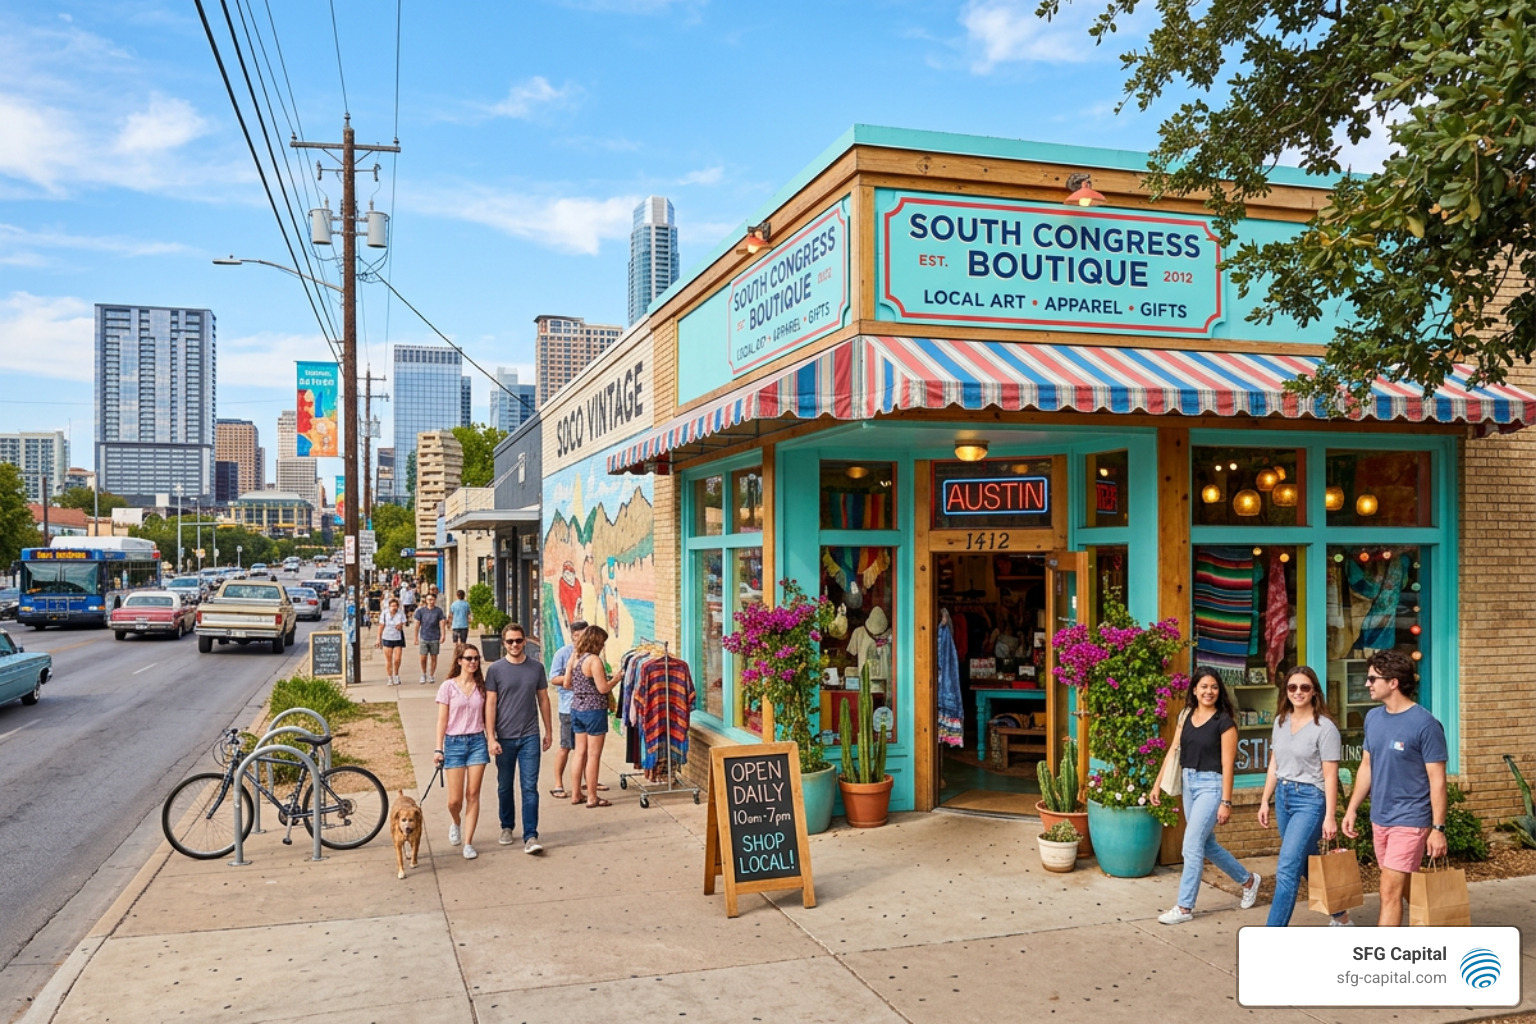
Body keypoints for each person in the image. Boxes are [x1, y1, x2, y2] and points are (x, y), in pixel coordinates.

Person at [1342, 649, 1448, 927]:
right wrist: (1352, 809)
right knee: (1404, 887)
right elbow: (1367, 766)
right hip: (1381, 818)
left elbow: (1437, 780)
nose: (1367, 684)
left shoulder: (1426, 725)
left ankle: (1383, 960)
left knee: (1388, 891)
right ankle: (1436, 928)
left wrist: (1438, 829)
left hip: (1410, 819)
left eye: (1372, 678)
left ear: (1393, 682)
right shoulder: (1373, 719)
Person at [1153, 668, 1262, 924]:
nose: (1208, 691)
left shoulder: (1224, 723)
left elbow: (1227, 765)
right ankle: (1248, 880)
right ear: (1194, 690)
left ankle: (1184, 907)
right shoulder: (1186, 715)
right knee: (1206, 844)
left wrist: (1226, 801)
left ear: (1219, 690)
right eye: (1203, 686)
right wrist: (1157, 784)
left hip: (1211, 787)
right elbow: (1173, 751)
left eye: (1213, 687)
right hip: (1189, 783)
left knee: (1191, 847)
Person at [1258, 666, 1350, 926]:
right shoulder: (1281, 721)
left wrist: (1330, 817)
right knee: (1307, 861)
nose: (1298, 692)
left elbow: (1330, 775)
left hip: (1310, 800)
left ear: (1314, 692)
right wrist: (1265, 799)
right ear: (1286, 691)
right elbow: (1274, 763)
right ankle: (1341, 917)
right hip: (1284, 797)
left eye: (1305, 687)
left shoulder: (1325, 728)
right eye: (1292, 687)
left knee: (1287, 867)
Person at [485, 621, 553, 854]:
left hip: (529, 736)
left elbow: (543, 699)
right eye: (510, 641)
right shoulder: (495, 670)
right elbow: (490, 703)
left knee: (529, 787)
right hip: (504, 737)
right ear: (504, 644)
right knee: (504, 786)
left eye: (518, 640)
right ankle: (506, 826)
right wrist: (491, 737)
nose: (515, 645)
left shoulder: (536, 668)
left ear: (525, 641)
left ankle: (531, 836)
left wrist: (549, 731)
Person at [433, 645, 492, 860]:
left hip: (477, 741)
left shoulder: (482, 687)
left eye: (476, 658)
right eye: (468, 658)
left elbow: (488, 717)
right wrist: (438, 748)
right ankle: (456, 822)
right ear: (459, 661)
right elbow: (442, 720)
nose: (473, 662)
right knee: (454, 801)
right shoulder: (448, 687)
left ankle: (468, 842)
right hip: (454, 743)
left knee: (473, 794)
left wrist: (491, 739)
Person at [566, 625, 618, 807]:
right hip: (594, 709)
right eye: (602, 642)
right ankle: (592, 796)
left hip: (577, 708)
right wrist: (617, 677)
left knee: (579, 752)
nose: (603, 646)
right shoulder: (594, 661)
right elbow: (603, 688)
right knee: (594, 755)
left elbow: (567, 683)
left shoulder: (575, 658)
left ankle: (575, 794)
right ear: (597, 641)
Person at [547, 619, 590, 800]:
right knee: (566, 747)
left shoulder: (591, 654)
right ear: (574, 635)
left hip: (588, 707)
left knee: (586, 749)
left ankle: (590, 781)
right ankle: (558, 783)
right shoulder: (563, 654)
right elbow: (553, 678)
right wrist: (573, 681)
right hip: (568, 708)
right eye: (581, 635)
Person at [414, 591, 448, 684]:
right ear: (426, 600)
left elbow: (442, 623)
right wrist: (415, 637)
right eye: (429, 599)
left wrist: (443, 635)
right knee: (423, 657)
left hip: (435, 637)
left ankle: (432, 675)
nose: (430, 601)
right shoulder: (421, 611)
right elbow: (417, 625)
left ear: (435, 600)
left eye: (432, 599)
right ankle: (423, 673)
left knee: (434, 657)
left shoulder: (438, 611)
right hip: (424, 637)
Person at [376, 596, 408, 686]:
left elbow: (404, 622)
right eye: (392, 606)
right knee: (388, 659)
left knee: (397, 659)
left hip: (397, 637)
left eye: (395, 606)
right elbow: (381, 626)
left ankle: (396, 675)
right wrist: (378, 638)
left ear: (398, 606)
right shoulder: (385, 614)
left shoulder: (400, 613)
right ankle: (389, 677)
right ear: (389, 606)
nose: (394, 607)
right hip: (387, 637)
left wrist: (400, 625)